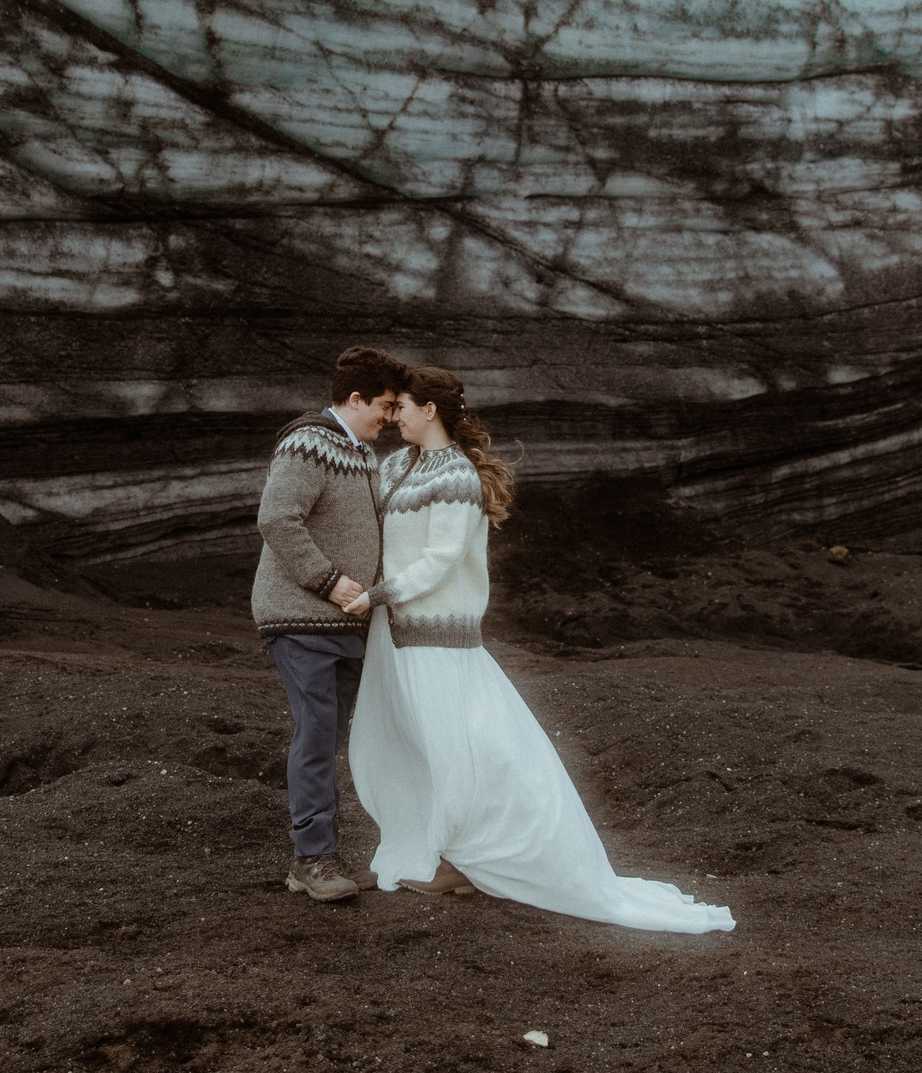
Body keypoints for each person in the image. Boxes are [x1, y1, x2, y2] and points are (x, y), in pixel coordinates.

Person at [343, 365, 735, 933]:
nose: (393, 414)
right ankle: (444, 849)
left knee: (460, 745)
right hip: (394, 629)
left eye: (402, 405)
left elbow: (442, 558)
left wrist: (378, 593)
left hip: (439, 635)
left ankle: (469, 856)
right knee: (410, 741)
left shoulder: (456, 476)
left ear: (429, 410)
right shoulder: (396, 464)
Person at [253, 344, 408, 902]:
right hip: (300, 616)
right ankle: (311, 860)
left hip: (341, 623)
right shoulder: (308, 442)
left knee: (331, 734)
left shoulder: (358, 449)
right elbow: (276, 517)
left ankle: (322, 854)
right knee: (317, 733)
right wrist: (327, 581)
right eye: (386, 406)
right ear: (356, 398)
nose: (391, 419)